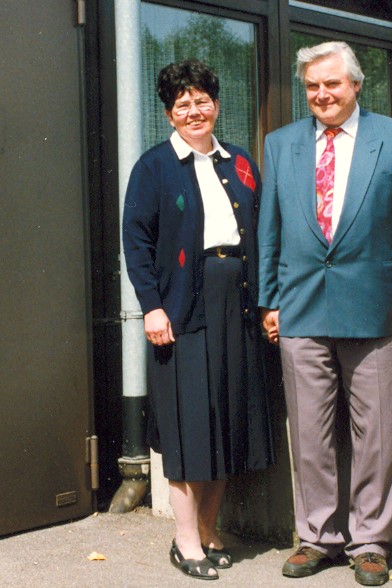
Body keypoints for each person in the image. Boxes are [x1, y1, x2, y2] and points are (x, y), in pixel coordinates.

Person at [258, 41, 392, 586]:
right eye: (312, 86)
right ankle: (315, 538)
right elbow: (271, 228)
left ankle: (370, 542)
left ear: (356, 85)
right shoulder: (280, 144)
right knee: (308, 434)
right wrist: (270, 299)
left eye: (332, 84)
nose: (322, 95)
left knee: (377, 434)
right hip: (302, 308)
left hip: (375, 309)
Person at [122, 59, 274, 581]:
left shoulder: (241, 162)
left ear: (216, 103)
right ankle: (185, 540)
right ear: (169, 113)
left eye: (202, 100)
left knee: (226, 418)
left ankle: (209, 529)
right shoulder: (154, 166)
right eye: (182, 104)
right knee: (189, 426)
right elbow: (136, 243)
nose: (194, 111)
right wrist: (152, 306)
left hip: (240, 304)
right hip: (182, 307)